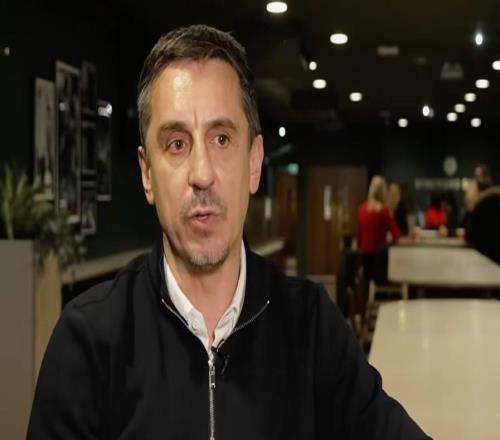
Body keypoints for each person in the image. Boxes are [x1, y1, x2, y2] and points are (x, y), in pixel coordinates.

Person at [27, 25, 429, 439]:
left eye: (221, 139)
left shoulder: (311, 327)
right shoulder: (88, 342)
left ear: (254, 163)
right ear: (147, 174)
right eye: (177, 144)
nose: (202, 174)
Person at [357, 176, 402, 313]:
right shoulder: (383, 211)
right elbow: (397, 235)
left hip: (364, 259)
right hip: (379, 262)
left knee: (366, 282)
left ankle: (364, 312)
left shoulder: (362, 209)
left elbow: (359, 235)